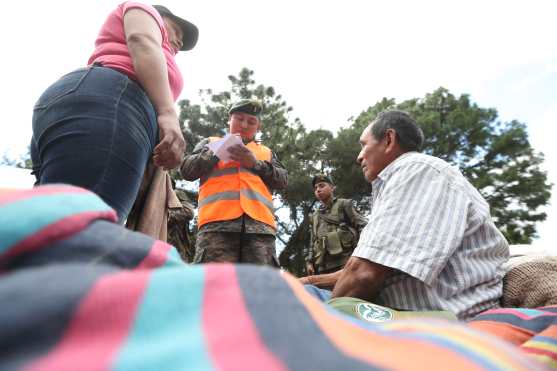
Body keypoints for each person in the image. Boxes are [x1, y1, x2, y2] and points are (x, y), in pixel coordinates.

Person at [306, 110, 509, 320]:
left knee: (294, 304)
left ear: (389, 139)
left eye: (363, 145)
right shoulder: (404, 178)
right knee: (299, 290)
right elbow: (369, 266)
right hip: (415, 311)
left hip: (441, 317)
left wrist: (323, 326)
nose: (359, 157)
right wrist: (309, 281)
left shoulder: (416, 171)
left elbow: (363, 274)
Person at [30, 3, 198, 222]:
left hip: (98, 106)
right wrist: (167, 112)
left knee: (49, 228)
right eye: (176, 30)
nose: (179, 40)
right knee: (87, 230)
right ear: (160, 18)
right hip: (111, 103)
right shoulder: (142, 9)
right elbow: (142, 39)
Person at [180, 99, 288, 266]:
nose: (244, 125)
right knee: (214, 286)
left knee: (260, 287)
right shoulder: (211, 143)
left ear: (258, 127)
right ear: (229, 120)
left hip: (260, 230)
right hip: (216, 227)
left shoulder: (266, 152)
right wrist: (218, 151)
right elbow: (187, 170)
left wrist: (255, 164)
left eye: (251, 121)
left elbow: (283, 180)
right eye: (239, 118)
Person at [305, 174, 367, 278]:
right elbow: (313, 240)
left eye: (322, 186)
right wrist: (309, 262)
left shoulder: (344, 204)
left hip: (345, 261)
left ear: (332, 188)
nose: (318, 190)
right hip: (323, 266)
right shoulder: (315, 215)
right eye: (316, 188)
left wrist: (361, 253)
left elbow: (363, 226)